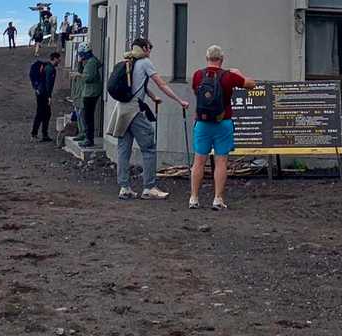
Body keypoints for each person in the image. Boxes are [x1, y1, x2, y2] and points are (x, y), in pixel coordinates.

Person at [108, 37, 188, 200]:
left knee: (123, 149)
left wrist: (152, 97)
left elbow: (137, 86)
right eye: (149, 48)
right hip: (134, 111)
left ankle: (124, 187)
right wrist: (179, 100)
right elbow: (161, 84)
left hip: (121, 109)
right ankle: (149, 187)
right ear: (144, 48)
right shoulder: (145, 62)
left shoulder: (128, 61)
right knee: (149, 147)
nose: (150, 51)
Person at [189, 45, 255, 211]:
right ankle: (217, 199)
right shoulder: (228, 76)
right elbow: (251, 84)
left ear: (207, 58)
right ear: (222, 59)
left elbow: (196, 92)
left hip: (202, 123)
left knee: (198, 161)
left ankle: (194, 198)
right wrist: (239, 74)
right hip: (223, 123)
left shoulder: (198, 75)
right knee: (221, 161)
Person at [29, 50, 60, 142]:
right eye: (58, 59)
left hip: (39, 92)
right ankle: (36, 134)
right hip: (44, 94)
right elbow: (48, 84)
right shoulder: (51, 69)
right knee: (42, 114)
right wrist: (49, 96)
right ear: (54, 59)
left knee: (45, 113)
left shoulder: (46, 66)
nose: (59, 61)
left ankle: (42, 134)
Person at [76, 44, 103, 147]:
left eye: (81, 54)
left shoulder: (91, 62)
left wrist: (79, 75)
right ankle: (86, 135)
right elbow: (82, 71)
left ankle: (89, 139)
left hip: (91, 93)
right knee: (86, 115)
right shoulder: (90, 61)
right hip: (89, 92)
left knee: (88, 116)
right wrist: (79, 63)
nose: (80, 56)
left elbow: (88, 78)